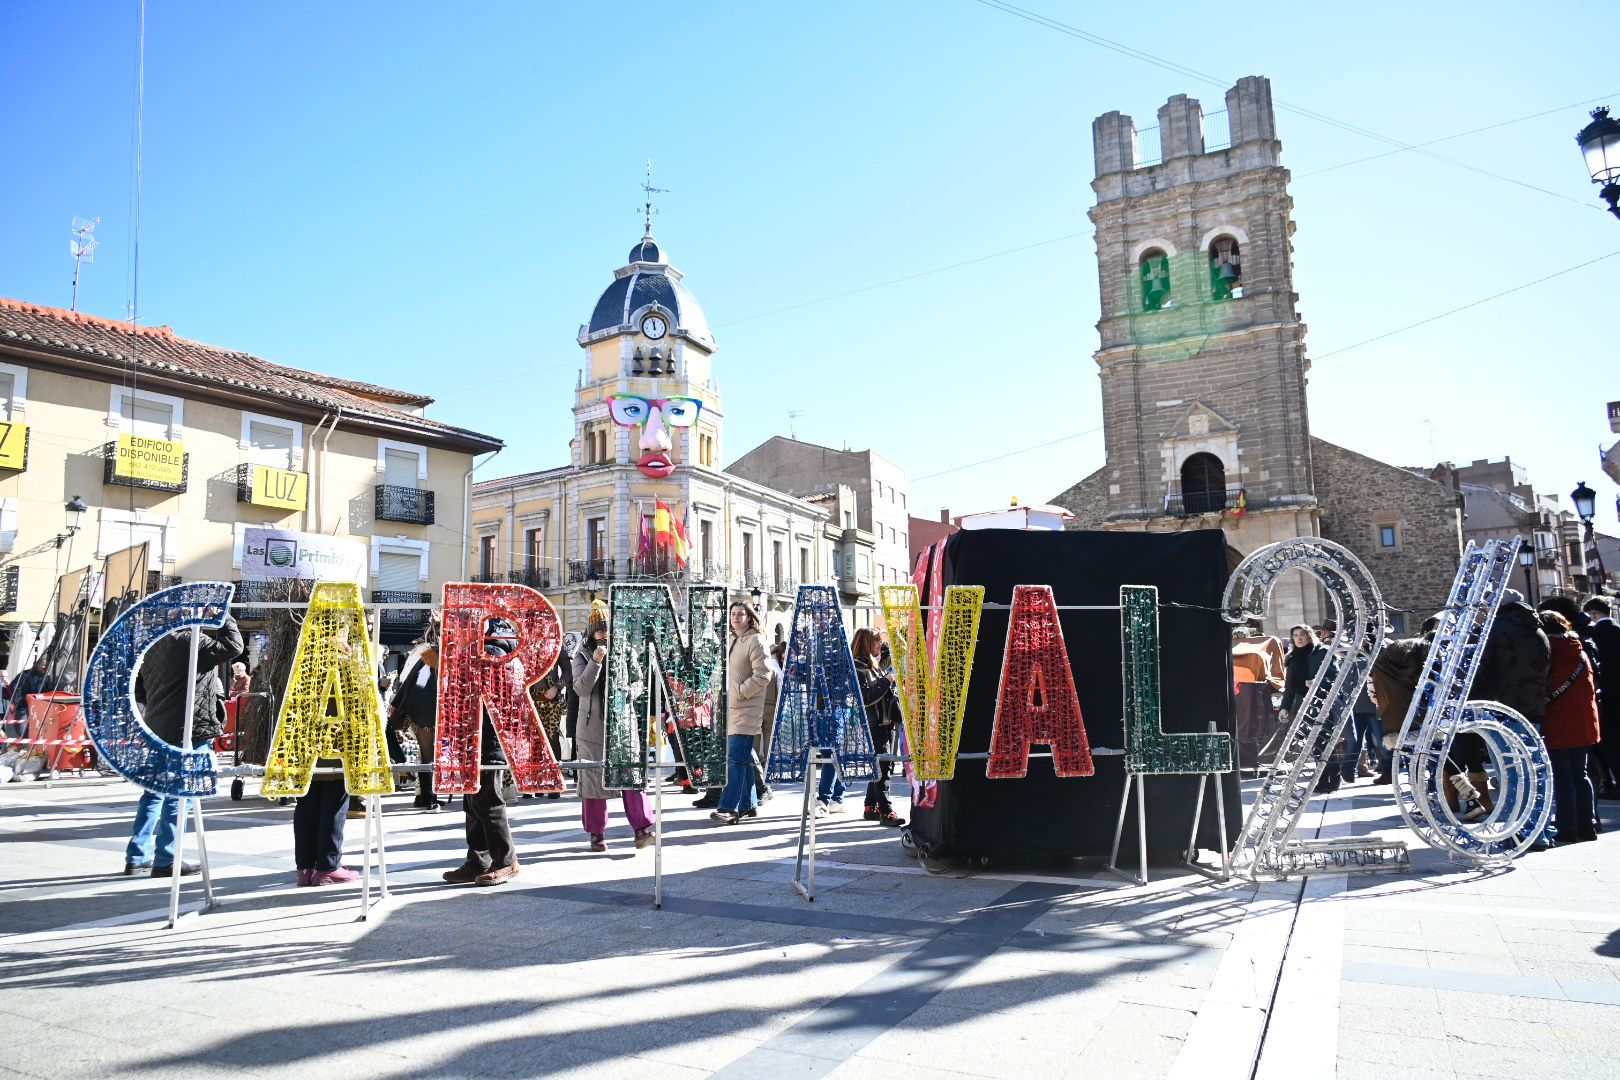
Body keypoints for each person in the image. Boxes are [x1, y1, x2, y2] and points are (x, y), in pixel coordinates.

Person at [124, 615, 244, 877]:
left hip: (156, 726)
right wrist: (224, 617)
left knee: (153, 791)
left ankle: (137, 855)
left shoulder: (152, 646)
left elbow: (140, 691)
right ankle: (167, 857)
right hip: (189, 727)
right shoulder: (192, 642)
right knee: (182, 793)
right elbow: (234, 646)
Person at [442, 617, 523, 886]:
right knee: (472, 802)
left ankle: (506, 860)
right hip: (475, 736)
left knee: (488, 801)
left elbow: (483, 692)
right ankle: (478, 859)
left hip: (488, 737)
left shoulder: (491, 653)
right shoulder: (487, 650)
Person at [572, 601, 655, 852]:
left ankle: (642, 829)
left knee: (631, 776)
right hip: (592, 729)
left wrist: (629, 692)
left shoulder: (626, 650)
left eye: (608, 629)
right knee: (593, 781)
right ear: (591, 633)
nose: (605, 635)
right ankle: (596, 834)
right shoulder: (582, 655)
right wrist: (595, 662)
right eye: (600, 631)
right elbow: (580, 688)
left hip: (623, 725)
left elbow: (639, 680)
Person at [1541, 609, 1600, 845]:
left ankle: (1568, 827)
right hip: (1584, 720)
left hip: (1558, 719)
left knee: (1563, 775)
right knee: (1581, 774)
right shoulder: (1580, 649)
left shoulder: (1548, 653)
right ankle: (1588, 825)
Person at [712, 601, 772, 825]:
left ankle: (729, 807)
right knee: (742, 758)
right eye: (733, 614)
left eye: (740, 614)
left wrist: (741, 692)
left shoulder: (755, 640)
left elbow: (764, 674)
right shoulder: (731, 639)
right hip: (730, 708)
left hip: (746, 708)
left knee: (735, 759)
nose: (736, 617)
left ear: (749, 617)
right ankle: (748, 804)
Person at [852, 627, 904, 826]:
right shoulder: (858, 667)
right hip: (874, 723)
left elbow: (895, 651)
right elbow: (865, 699)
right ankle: (886, 810)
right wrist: (886, 681)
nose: (880, 645)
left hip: (885, 721)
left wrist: (892, 633)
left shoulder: (874, 663)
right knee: (882, 766)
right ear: (867, 643)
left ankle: (870, 805)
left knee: (882, 764)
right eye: (876, 641)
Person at [1278, 624, 1335, 794]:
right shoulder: (1292, 657)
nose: (1299, 638)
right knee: (1313, 742)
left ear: (1309, 636)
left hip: (1323, 701)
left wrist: (1318, 682)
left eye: (1302, 634)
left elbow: (1335, 675)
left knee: (1326, 741)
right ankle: (1322, 778)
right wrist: (1285, 707)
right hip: (1303, 704)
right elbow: (1289, 687)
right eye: (1295, 635)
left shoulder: (1322, 652)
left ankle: (1333, 777)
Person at [390, 643, 443, 812]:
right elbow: (420, 687)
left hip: (424, 711)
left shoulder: (430, 657)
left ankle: (425, 796)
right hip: (426, 712)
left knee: (428, 754)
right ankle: (428, 797)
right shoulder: (433, 657)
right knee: (428, 755)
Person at [1583, 597, 1620, 799]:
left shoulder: (1596, 634)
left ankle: (1611, 782)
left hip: (1606, 694)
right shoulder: (1617, 630)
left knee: (1609, 741)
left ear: (1594, 614)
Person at [6, 657, 51, 740]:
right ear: (37, 664)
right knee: (21, 728)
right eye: (44, 665)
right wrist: (19, 696)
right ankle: (25, 744)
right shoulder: (24, 674)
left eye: (47, 665)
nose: (45, 667)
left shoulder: (47, 678)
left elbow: (49, 691)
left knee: (38, 729)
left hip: (39, 706)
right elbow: (13, 686)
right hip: (23, 705)